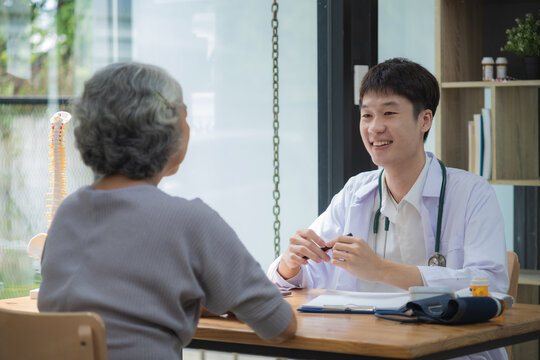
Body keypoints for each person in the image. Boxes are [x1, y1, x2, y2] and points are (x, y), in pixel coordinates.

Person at [38, 62, 296, 360]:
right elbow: (280, 326)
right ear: (167, 131)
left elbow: (115, 300)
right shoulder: (190, 222)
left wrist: (188, 300)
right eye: (184, 116)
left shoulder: (68, 213)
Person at [268, 58, 508, 360]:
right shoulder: (355, 192)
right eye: (366, 115)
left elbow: (491, 287)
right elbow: (294, 279)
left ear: (425, 120)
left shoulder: (471, 194)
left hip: (448, 351)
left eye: (389, 113)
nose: (374, 127)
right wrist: (290, 265)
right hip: (365, 346)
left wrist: (380, 269)